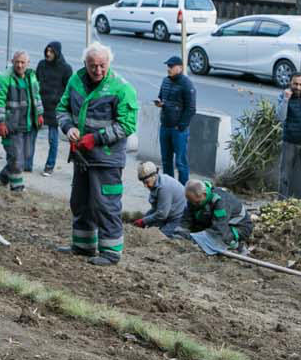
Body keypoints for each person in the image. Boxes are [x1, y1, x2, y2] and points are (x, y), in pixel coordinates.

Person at [59, 43, 138, 264]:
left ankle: (111, 253)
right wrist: (68, 128)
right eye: (93, 66)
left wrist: (96, 138)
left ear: (109, 63)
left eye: (102, 66)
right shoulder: (75, 81)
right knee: (80, 201)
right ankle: (84, 246)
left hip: (107, 159)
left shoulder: (122, 89)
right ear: (85, 64)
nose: (98, 71)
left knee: (105, 204)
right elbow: (62, 109)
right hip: (82, 157)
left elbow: (127, 125)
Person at [0, 51, 42, 193]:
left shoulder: (31, 77)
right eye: (17, 62)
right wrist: (1, 122)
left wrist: (39, 114)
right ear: (12, 61)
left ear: (28, 63)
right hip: (10, 126)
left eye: (22, 62)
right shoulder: (4, 78)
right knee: (16, 158)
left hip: (27, 125)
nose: (19, 65)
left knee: (24, 156)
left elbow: (36, 97)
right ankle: (17, 187)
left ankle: (3, 177)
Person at [152, 54, 195, 182]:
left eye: (171, 66)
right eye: (168, 66)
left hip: (178, 130)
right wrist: (160, 103)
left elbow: (191, 108)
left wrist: (181, 126)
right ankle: (169, 187)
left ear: (180, 68)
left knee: (181, 163)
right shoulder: (165, 81)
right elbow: (161, 97)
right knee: (166, 160)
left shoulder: (187, 84)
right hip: (165, 126)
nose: (168, 68)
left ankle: (183, 191)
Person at [35, 40, 72, 175]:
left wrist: (62, 103)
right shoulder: (42, 64)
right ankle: (26, 163)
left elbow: (69, 89)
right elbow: (35, 81)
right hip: (40, 105)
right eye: (47, 51)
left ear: (57, 53)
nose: (48, 54)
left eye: (51, 51)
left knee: (52, 138)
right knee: (31, 134)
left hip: (54, 108)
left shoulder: (65, 68)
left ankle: (49, 166)